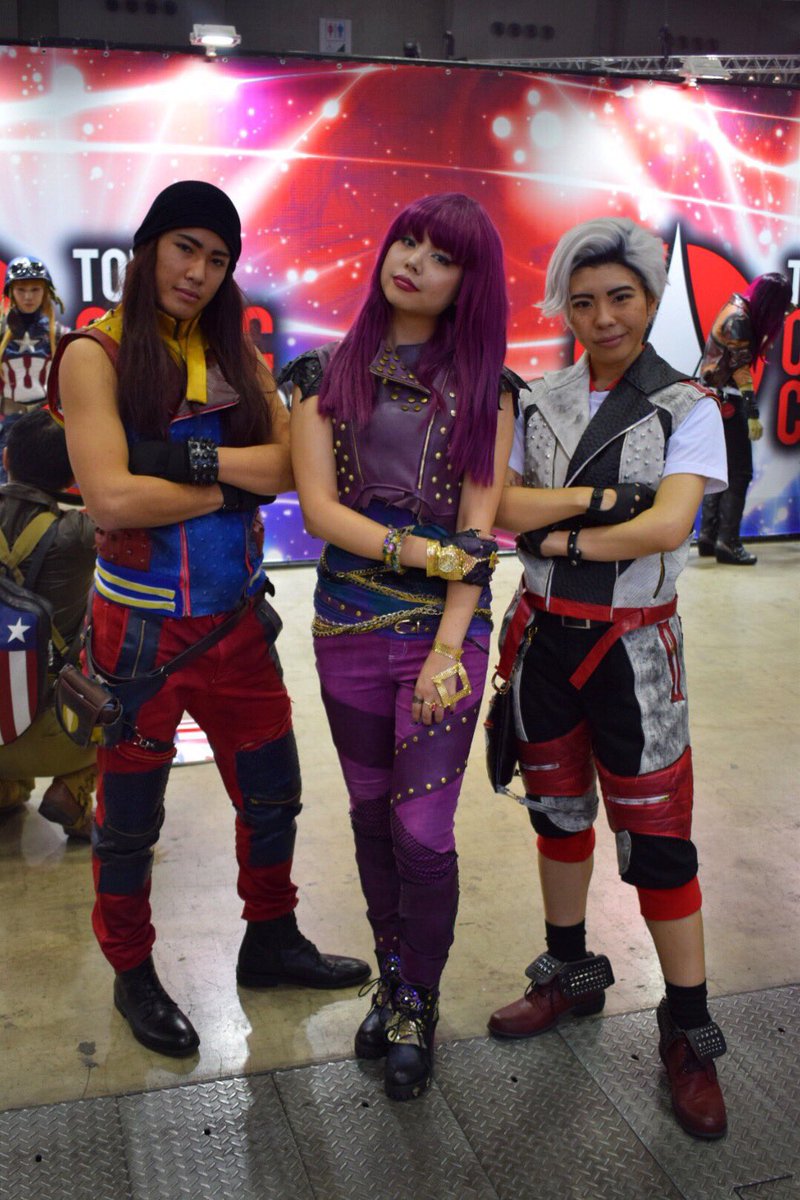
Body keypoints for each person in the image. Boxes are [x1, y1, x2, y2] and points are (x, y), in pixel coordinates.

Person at [48, 180, 369, 1059]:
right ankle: (132, 972)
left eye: (217, 258)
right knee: (128, 823)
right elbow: (111, 497)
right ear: (149, 247)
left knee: (273, 797)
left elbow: (291, 469)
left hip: (235, 626)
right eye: (185, 247)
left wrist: (182, 462)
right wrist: (232, 477)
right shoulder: (94, 355)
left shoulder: (234, 351)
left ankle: (272, 940)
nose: (198, 271)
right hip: (138, 638)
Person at [487, 217, 730, 1140]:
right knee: (556, 814)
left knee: (659, 841)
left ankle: (687, 1029)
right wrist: (601, 508)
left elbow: (668, 525)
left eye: (620, 297)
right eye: (583, 302)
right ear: (566, 309)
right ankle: (571, 972)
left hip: (635, 652)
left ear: (651, 298)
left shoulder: (688, 406)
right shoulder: (537, 398)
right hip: (543, 642)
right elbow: (502, 505)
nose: (603, 318)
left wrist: (560, 540)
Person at [285, 192, 519, 1100]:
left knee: (422, 833)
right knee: (369, 818)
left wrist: (449, 648)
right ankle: (393, 983)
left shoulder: (491, 390)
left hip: (442, 637)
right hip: (344, 627)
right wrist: (428, 552)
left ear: (470, 282)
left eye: (442, 255)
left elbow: (480, 534)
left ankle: (419, 999)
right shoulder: (323, 374)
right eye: (407, 242)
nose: (413, 262)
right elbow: (320, 512)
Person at [0, 409, 96, 838]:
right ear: (71, 475)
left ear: (6, 458)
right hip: (57, 735)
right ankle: (72, 790)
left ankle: (5, 788)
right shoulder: (80, 533)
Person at [696, 272, 793, 564]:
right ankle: (728, 542)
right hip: (729, 400)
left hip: (717, 399)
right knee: (740, 473)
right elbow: (740, 369)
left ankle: (709, 536)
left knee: (724, 470)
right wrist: (752, 413)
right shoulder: (740, 318)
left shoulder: (737, 309)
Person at [0, 256, 68, 481]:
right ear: (11, 292)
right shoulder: (1, 333)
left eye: (35, 289)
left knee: (50, 481)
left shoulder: (60, 334)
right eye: (21, 290)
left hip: (46, 422)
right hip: (10, 421)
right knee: (5, 485)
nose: (28, 297)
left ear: (46, 291)